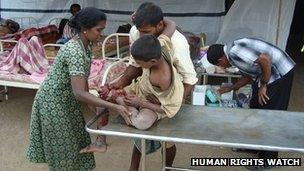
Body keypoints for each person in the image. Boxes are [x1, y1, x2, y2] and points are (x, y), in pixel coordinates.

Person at [26, 7, 130, 170]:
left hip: (66, 101)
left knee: (76, 142)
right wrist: (115, 106)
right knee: (63, 150)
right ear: (85, 29)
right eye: (99, 30)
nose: (101, 34)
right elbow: (79, 92)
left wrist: (94, 106)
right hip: (52, 102)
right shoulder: (74, 50)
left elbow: (83, 81)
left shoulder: (85, 46)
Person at [206, 38, 295, 170]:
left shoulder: (235, 52)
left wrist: (264, 85)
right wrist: (232, 87)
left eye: (221, 65)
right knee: (254, 108)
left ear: (220, 60)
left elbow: (265, 60)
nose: (223, 68)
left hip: (280, 72)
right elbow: (247, 77)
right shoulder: (231, 53)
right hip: (265, 73)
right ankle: (254, 146)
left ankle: (267, 160)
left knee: (270, 115)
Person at [110, 2, 197, 98]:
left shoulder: (177, 43)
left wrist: (170, 105)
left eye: (146, 32)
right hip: (148, 89)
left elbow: (189, 80)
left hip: (170, 92)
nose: (142, 36)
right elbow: (135, 63)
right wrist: (120, 83)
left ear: (159, 25)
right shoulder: (136, 32)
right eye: (140, 31)